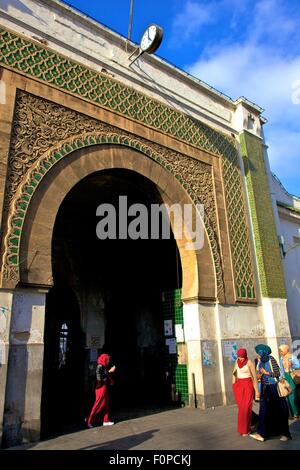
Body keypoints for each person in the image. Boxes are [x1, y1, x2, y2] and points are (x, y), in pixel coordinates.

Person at [250, 344, 291, 442]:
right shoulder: (259, 361)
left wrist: (266, 373)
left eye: (259, 352)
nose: (258, 354)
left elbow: (277, 373)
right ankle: (262, 434)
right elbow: (259, 374)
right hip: (265, 389)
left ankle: (285, 433)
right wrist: (259, 375)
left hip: (273, 388)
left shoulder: (271, 359)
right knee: (264, 411)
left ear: (263, 352)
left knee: (280, 411)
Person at [232, 348, 260, 436]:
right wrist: (234, 383)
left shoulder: (249, 363)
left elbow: (254, 378)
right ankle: (256, 420)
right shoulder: (237, 361)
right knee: (241, 408)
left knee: (246, 408)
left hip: (248, 385)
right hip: (238, 386)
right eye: (239, 357)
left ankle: (245, 430)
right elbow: (234, 372)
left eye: (242, 357)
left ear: (245, 355)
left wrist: (256, 391)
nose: (240, 359)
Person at [86, 353, 116, 428]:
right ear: (104, 359)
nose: (109, 361)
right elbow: (99, 378)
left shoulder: (103, 366)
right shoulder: (100, 366)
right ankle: (89, 421)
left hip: (104, 387)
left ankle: (105, 420)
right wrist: (109, 371)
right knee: (98, 404)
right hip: (100, 388)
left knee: (106, 404)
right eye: (108, 359)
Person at [279, 344, 300, 419]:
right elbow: (281, 369)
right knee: (288, 395)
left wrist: (292, 366)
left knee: (292, 395)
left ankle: (296, 413)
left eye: (281, 351)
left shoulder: (292, 357)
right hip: (286, 377)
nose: (280, 352)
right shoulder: (281, 358)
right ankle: (293, 413)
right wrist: (280, 378)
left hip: (292, 376)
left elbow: (298, 365)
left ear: (285, 350)